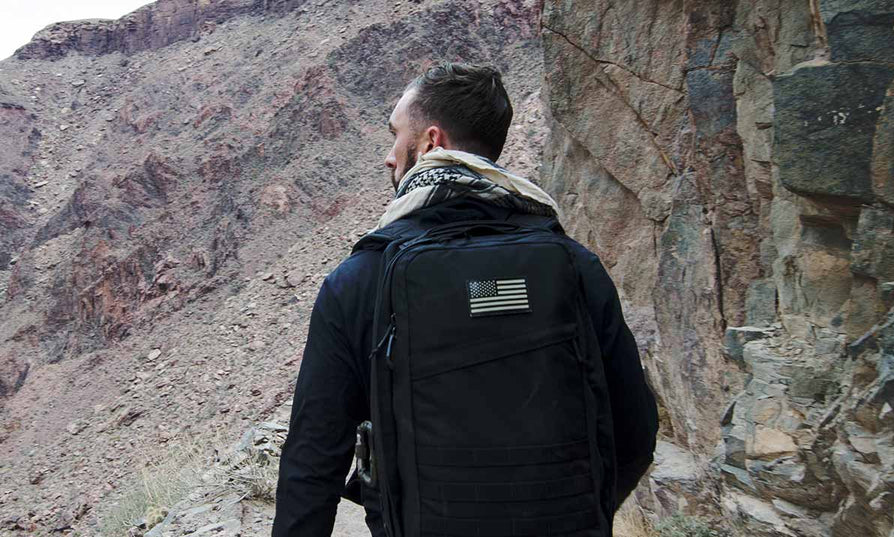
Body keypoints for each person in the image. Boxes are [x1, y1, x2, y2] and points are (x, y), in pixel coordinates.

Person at [271, 62, 658, 537]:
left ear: (431, 142)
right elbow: (636, 431)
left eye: (396, 135)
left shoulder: (359, 281)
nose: (389, 157)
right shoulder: (574, 265)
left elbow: (313, 462)